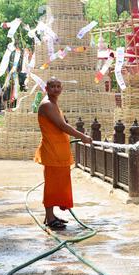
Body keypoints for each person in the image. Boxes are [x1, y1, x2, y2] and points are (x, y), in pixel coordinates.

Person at [34, 78, 93, 230]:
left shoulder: (53, 104)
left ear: (62, 88)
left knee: (59, 184)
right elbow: (62, 126)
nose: (56, 89)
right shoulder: (47, 104)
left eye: (58, 86)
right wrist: (82, 136)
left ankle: (50, 216)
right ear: (46, 88)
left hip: (58, 150)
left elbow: (60, 124)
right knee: (52, 185)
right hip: (52, 151)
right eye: (52, 86)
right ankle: (50, 217)